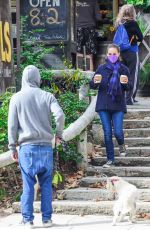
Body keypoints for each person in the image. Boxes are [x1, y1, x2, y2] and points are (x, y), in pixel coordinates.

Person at [8, 65, 65, 227]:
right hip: (46, 147)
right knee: (46, 184)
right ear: (38, 78)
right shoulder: (47, 96)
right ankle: (47, 219)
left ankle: (28, 220)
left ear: (23, 79)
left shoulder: (16, 98)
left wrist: (13, 147)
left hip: (27, 149)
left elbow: (12, 126)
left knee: (28, 185)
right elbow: (60, 115)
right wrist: (58, 134)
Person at [89, 44, 131, 168]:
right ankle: (110, 160)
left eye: (114, 54)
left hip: (118, 105)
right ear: (107, 55)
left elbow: (129, 87)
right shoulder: (101, 69)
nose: (112, 56)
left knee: (118, 132)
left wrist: (125, 83)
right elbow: (92, 85)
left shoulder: (124, 69)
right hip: (103, 105)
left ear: (118, 54)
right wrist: (95, 82)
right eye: (110, 54)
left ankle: (121, 144)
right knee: (107, 133)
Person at [115, 4, 143, 105]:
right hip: (132, 51)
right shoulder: (133, 23)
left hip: (121, 52)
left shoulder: (119, 23)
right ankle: (129, 99)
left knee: (123, 74)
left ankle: (123, 97)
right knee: (133, 75)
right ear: (133, 13)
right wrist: (134, 38)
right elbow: (141, 37)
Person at [76, 0, 101, 69]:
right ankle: (90, 75)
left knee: (79, 53)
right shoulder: (93, 2)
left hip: (77, 28)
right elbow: (98, 17)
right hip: (90, 28)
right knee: (89, 53)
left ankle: (79, 76)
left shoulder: (73, 2)